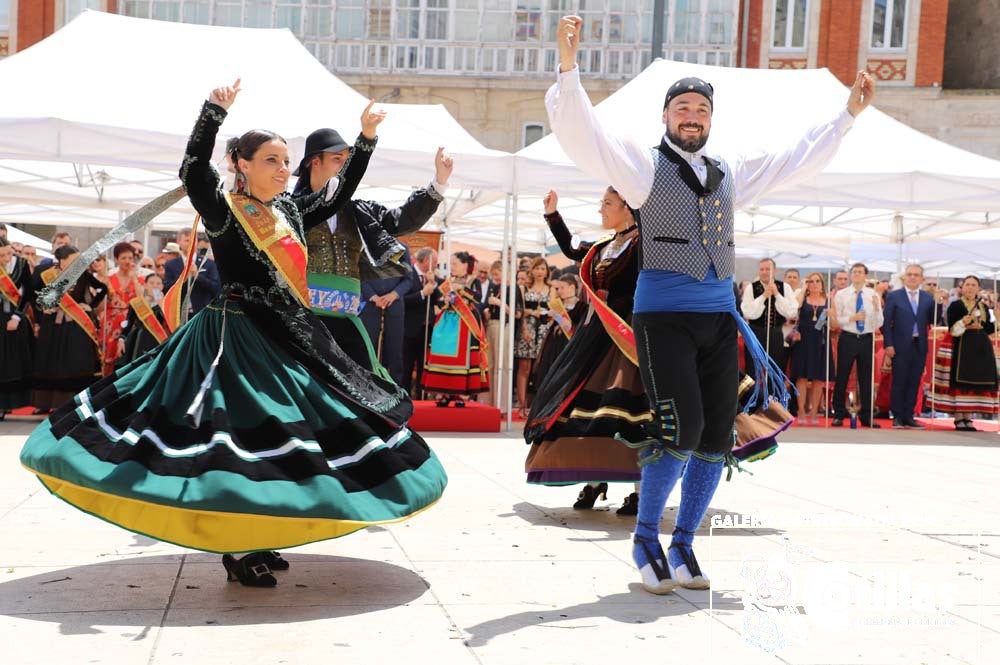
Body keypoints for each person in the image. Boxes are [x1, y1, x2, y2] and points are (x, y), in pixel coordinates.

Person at [20, 80, 447, 588]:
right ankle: (240, 547)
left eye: (286, 161)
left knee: (284, 439)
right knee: (231, 443)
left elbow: (340, 194)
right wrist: (213, 113)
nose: (283, 169)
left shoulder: (289, 211)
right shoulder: (225, 209)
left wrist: (366, 139)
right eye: (271, 159)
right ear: (242, 164)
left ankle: (262, 532)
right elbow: (192, 170)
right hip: (233, 339)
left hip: (286, 336)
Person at [547, 14, 874, 594]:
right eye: (682, 109)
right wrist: (569, 69)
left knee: (716, 436)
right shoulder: (644, 168)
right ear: (667, 117)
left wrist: (847, 117)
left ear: (709, 120)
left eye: (700, 110)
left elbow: (794, 159)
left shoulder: (730, 173)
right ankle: (646, 538)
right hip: (664, 317)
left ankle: (685, 545)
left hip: (718, 319)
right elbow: (586, 138)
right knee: (679, 427)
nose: (691, 117)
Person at [524, 188, 648, 515]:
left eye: (607, 204)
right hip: (593, 339)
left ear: (628, 208)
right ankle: (594, 481)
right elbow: (570, 248)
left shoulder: (643, 243)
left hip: (627, 341)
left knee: (627, 413)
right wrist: (552, 214)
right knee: (579, 408)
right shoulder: (603, 246)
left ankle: (641, 489)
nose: (600, 211)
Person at [293, 127, 451, 382]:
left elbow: (402, 220)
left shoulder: (359, 211)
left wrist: (438, 183)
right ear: (315, 161)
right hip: (305, 321)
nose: (344, 167)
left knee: (361, 392)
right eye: (337, 159)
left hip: (349, 320)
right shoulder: (291, 209)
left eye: (348, 161)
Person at [29, 244, 107, 412]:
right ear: (63, 262)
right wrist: (42, 307)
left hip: (75, 324)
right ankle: (45, 403)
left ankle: (74, 402)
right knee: (50, 361)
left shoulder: (83, 274)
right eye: (74, 260)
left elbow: (103, 288)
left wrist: (89, 305)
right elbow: (32, 294)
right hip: (52, 325)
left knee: (75, 361)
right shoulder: (47, 274)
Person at [422, 251, 489, 406]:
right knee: (442, 353)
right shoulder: (447, 281)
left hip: (465, 323)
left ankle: (460, 394)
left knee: (463, 358)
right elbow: (439, 302)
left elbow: (479, 299)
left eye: (454, 264)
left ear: (465, 265)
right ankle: (444, 392)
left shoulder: (473, 280)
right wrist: (444, 300)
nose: (451, 267)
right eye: (450, 264)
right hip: (446, 322)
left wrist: (462, 290)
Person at [937, 275, 999, 430]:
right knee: (962, 380)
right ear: (962, 287)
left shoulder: (984, 307)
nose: (970, 288)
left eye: (973, 285)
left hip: (981, 347)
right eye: (968, 285)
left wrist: (997, 320)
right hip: (962, 345)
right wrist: (963, 322)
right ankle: (959, 417)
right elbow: (952, 329)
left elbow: (989, 329)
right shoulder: (956, 306)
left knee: (975, 381)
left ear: (978, 288)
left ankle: (969, 418)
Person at [883, 263, 936, 429]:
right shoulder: (894, 296)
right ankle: (897, 416)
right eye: (909, 274)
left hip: (919, 345)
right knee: (899, 381)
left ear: (922, 279)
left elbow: (933, 320)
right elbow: (886, 324)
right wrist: (888, 344)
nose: (912, 277)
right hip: (899, 345)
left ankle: (909, 415)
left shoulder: (928, 298)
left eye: (916, 275)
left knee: (914, 381)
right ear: (904, 277)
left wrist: (939, 303)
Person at [830, 263, 882, 427]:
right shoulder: (842, 294)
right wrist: (852, 318)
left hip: (866, 338)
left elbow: (878, 322)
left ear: (865, 275)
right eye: (854, 272)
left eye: (860, 272)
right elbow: (837, 320)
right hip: (848, 337)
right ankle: (838, 413)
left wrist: (876, 308)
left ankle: (866, 415)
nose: (857, 275)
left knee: (866, 378)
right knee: (842, 375)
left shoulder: (872, 294)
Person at [741, 258, 798, 378]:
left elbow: (791, 312)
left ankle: (773, 396)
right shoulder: (751, 288)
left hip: (776, 333)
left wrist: (777, 294)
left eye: (768, 269)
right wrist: (763, 296)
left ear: (775, 271)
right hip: (755, 333)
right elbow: (748, 313)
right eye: (762, 269)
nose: (764, 272)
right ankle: (754, 396)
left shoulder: (785, 287)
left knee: (775, 368)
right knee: (753, 368)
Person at [789, 272, 834, 425]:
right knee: (801, 377)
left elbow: (833, 325)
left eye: (817, 281)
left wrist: (830, 316)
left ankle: (814, 411)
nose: (814, 284)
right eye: (811, 281)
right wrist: (803, 288)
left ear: (822, 283)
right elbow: (795, 307)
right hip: (803, 340)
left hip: (820, 340)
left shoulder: (828, 300)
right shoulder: (803, 297)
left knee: (818, 379)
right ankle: (801, 410)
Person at [0, 237, 35, 417]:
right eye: (2, 256)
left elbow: (28, 293)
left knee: (12, 362)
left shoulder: (21, 264)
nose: (6, 258)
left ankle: (9, 403)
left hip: (14, 318)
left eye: (8, 253)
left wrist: (16, 317)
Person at [515, 256, 554, 417]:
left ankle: (537, 407)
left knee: (541, 368)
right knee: (524, 367)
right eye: (537, 268)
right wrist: (525, 327)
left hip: (544, 330)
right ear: (532, 270)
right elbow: (521, 310)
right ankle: (522, 405)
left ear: (546, 272)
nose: (539, 272)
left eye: (542, 269)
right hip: (527, 329)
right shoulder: (524, 288)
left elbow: (555, 311)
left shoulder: (551, 289)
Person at [101, 241, 145, 374]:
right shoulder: (108, 279)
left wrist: (134, 278)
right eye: (123, 258)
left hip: (130, 322)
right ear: (116, 259)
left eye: (130, 258)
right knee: (108, 358)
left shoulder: (140, 279)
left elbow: (141, 300)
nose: (127, 261)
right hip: (110, 323)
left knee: (127, 356)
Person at [402, 248, 442, 396]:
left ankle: (420, 395)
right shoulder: (408, 274)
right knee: (406, 365)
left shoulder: (431, 277)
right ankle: (404, 396)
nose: (436, 265)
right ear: (426, 261)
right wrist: (422, 294)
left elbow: (438, 299)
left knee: (423, 366)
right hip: (409, 328)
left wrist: (434, 284)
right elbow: (403, 300)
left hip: (427, 329)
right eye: (435, 262)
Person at [162, 227, 220, 318]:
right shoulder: (171, 265)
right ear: (179, 242)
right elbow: (166, 289)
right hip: (179, 313)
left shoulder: (209, 264)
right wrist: (183, 278)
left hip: (202, 313)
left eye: (194, 240)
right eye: (187, 240)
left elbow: (216, 288)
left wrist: (197, 276)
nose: (191, 243)